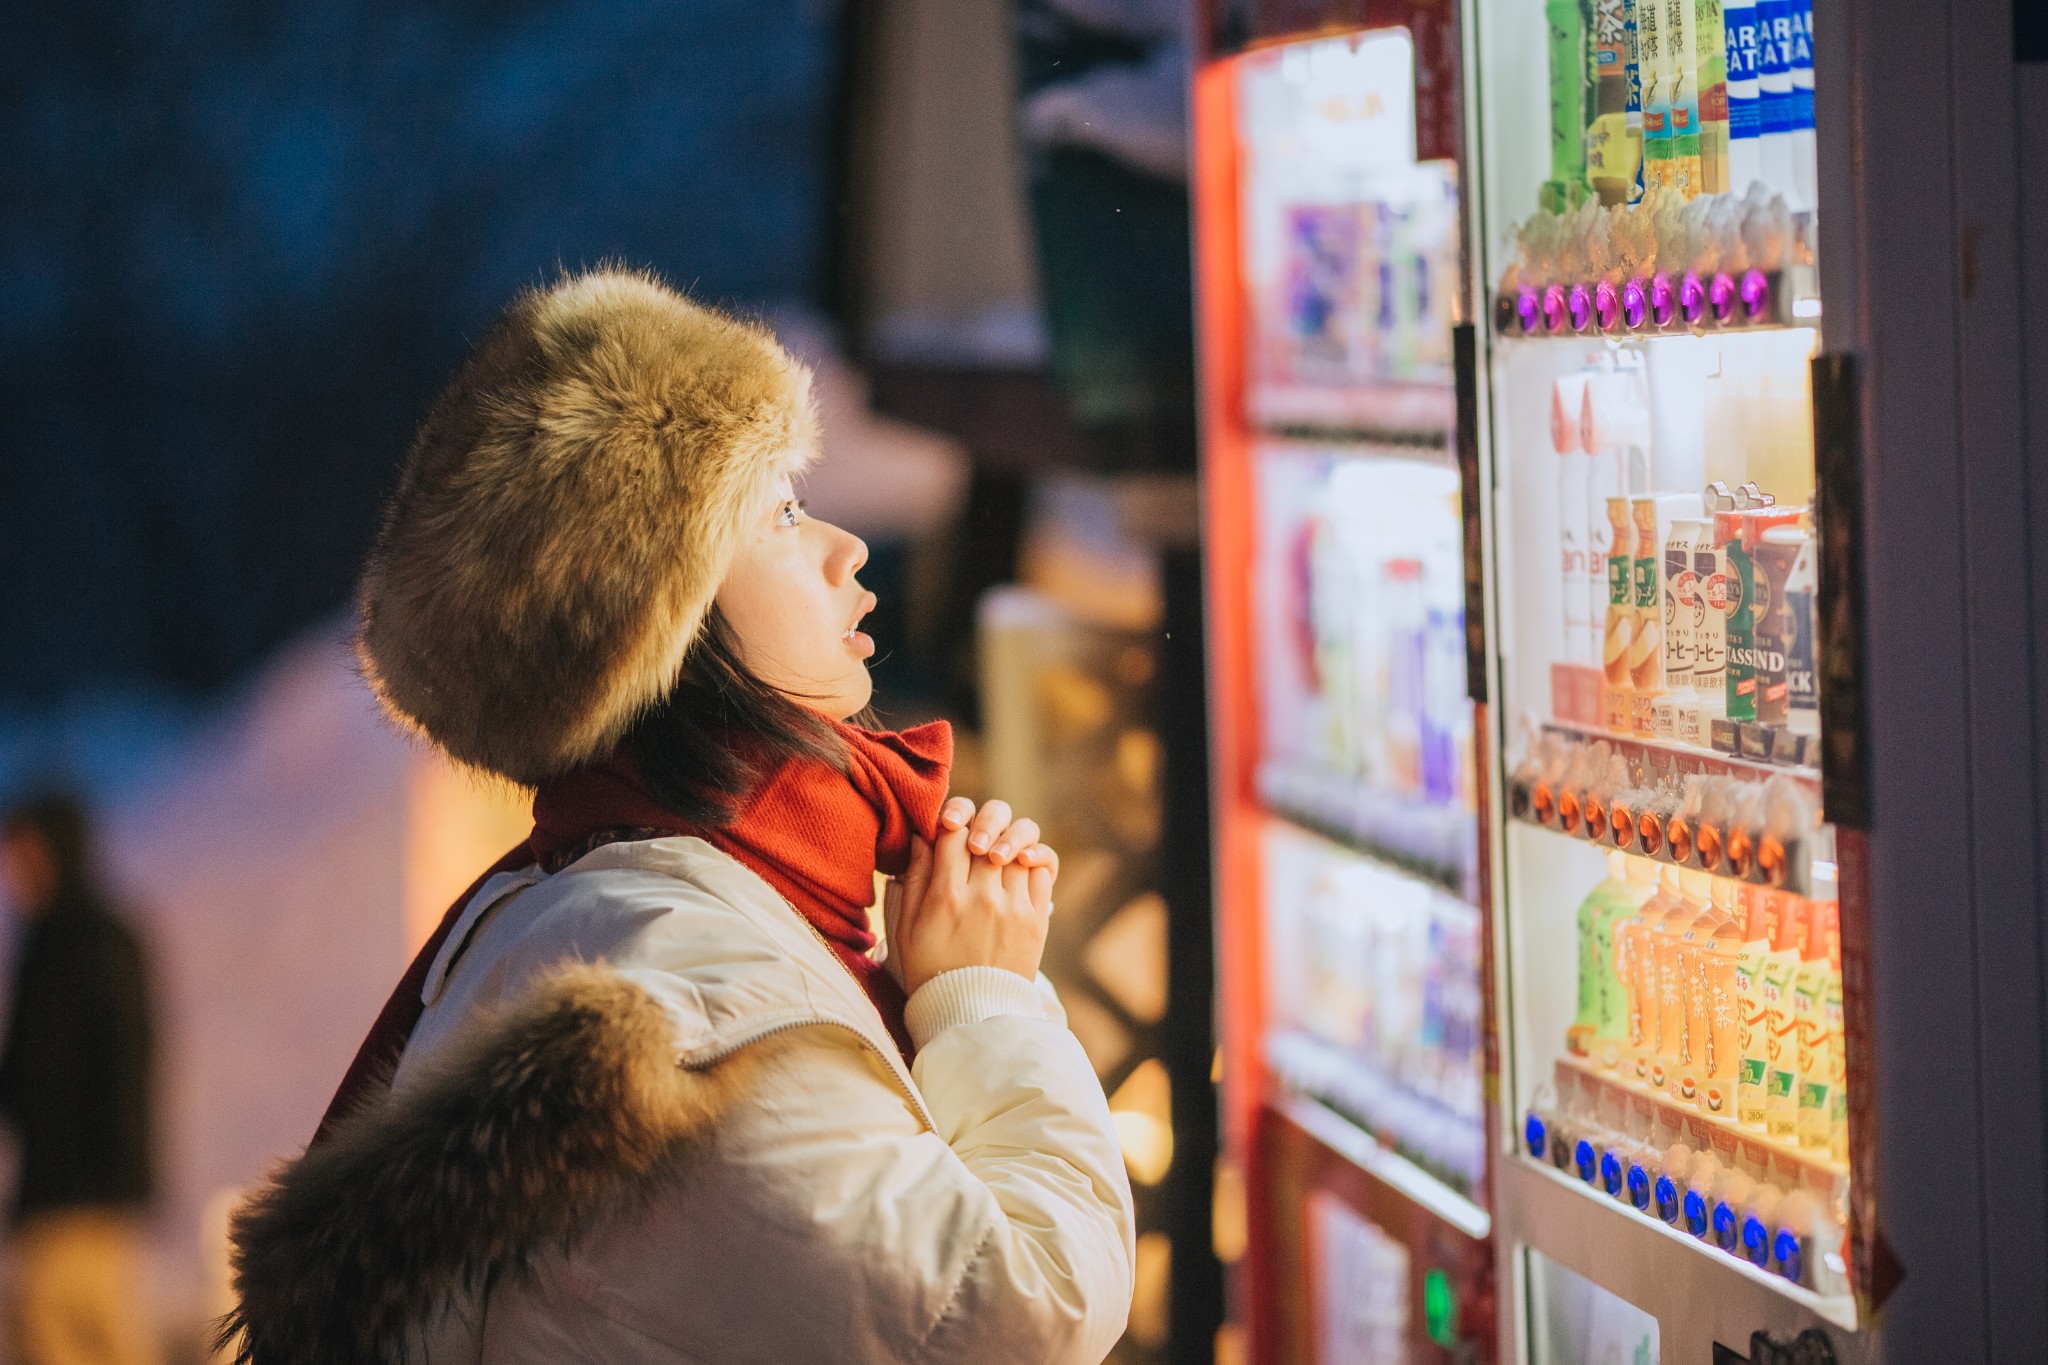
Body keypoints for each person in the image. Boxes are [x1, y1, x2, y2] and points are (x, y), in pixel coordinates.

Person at [222, 268, 1135, 1363]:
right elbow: (1016, 1313)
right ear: (657, 612)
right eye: (782, 512)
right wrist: (979, 997)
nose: (841, 546)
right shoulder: (686, 971)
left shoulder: (623, 902)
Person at [0, 792, 159, 1365]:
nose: (14, 873)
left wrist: (109, 1178)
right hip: (73, 1198)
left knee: (69, 1338)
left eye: (23, 854)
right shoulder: (64, 943)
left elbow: (114, 1074)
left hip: (80, 1201)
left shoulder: (79, 947)